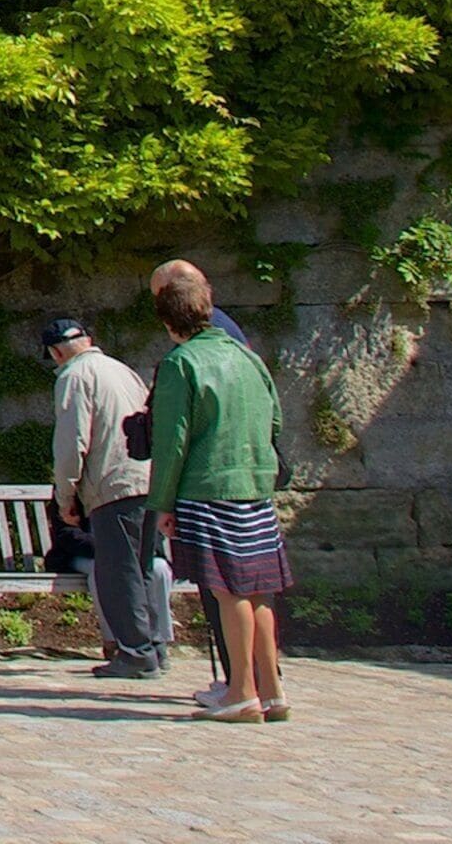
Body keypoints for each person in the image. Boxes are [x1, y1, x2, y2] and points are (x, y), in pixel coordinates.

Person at [145, 260, 291, 723]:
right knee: (260, 591)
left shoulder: (180, 363)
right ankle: (271, 690)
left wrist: (162, 503)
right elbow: (276, 421)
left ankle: (240, 692)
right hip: (255, 486)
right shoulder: (247, 356)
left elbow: (171, 441)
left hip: (208, 489)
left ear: (168, 321)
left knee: (228, 592)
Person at [43, 314, 167, 681]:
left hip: (113, 486)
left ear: (55, 353)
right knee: (143, 567)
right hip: (148, 480)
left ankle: (136, 653)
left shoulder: (73, 377)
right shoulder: (124, 371)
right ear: (89, 338)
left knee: (118, 572)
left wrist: (65, 496)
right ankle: (154, 647)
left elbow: (71, 444)